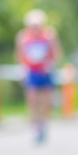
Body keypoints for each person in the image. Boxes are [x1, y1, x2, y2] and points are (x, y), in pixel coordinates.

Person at [15, 9, 62, 143]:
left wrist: (52, 63)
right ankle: (35, 126)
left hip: (45, 71)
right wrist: (22, 68)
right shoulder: (23, 37)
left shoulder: (49, 35)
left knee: (46, 102)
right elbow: (19, 55)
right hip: (32, 72)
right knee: (32, 99)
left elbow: (57, 52)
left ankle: (44, 123)